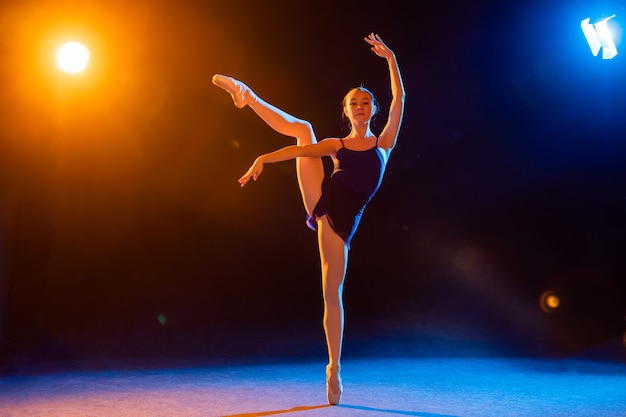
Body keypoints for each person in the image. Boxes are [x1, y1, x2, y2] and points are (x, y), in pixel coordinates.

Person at [212, 32, 405, 405]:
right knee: (303, 130)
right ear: (346, 110)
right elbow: (300, 150)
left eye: (366, 101)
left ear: (373, 110)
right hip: (322, 202)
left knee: (333, 293)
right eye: (353, 102)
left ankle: (334, 367)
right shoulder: (337, 145)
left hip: (343, 223)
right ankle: (246, 94)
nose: (360, 106)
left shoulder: (385, 143)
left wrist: (390, 59)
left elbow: (400, 98)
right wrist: (263, 160)